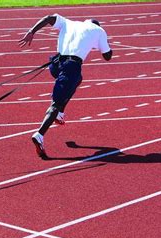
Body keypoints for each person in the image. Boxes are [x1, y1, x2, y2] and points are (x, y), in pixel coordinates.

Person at [18, 14, 113, 158]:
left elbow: (49, 18)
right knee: (56, 103)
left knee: (78, 79)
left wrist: (32, 31)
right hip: (71, 66)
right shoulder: (99, 30)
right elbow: (107, 56)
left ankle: (60, 112)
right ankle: (40, 134)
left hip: (56, 64)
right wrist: (105, 45)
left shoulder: (70, 22)